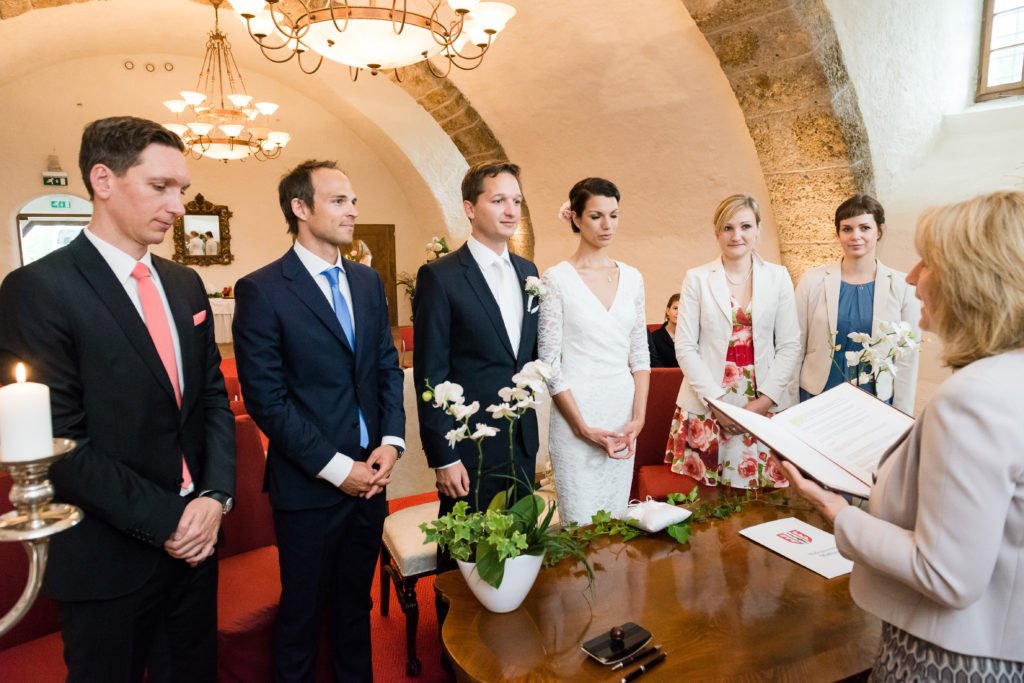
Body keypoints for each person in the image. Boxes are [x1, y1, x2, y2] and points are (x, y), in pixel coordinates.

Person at [0, 116, 236, 683]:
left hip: (197, 541)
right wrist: (170, 519)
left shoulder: (183, 284)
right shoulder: (39, 290)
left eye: (181, 187)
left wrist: (215, 496)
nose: (178, 205)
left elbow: (211, 399)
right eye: (161, 187)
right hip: (107, 555)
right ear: (102, 180)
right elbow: (62, 443)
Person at [778, 190, 1024, 678]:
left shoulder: (970, 402)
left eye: (928, 263)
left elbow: (947, 575)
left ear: (972, 281)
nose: (911, 278)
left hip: (949, 656)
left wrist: (837, 513)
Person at [232, 160, 405, 683]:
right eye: (338, 201)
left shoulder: (367, 281)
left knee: (355, 612)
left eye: (353, 200)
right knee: (302, 618)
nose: (353, 210)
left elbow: (384, 366)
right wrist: (336, 468)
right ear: (300, 208)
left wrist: (391, 442)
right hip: (309, 488)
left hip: (371, 479)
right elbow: (268, 399)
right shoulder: (263, 289)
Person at [413, 161, 539, 517]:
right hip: (470, 447)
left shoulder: (528, 272)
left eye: (516, 200)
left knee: (522, 555)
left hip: (522, 445)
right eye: (499, 200)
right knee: (465, 562)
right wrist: (444, 455)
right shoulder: (441, 277)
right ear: (470, 208)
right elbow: (430, 375)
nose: (511, 210)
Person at [665, 194, 801, 489]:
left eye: (745, 226)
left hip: (765, 400)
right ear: (717, 233)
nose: (737, 235)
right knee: (711, 505)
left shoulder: (778, 277)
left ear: (757, 230)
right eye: (728, 228)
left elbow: (790, 344)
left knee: (766, 503)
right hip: (710, 400)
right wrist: (717, 404)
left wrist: (764, 401)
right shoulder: (697, 278)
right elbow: (686, 345)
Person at [537, 178, 650, 524]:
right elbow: (549, 364)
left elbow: (641, 354)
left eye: (614, 216)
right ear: (575, 218)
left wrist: (639, 419)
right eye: (597, 216)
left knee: (617, 522)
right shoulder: (556, 278)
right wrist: (583, 428)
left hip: (622, 412)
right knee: (582, 526)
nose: (607, 226)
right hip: (577, 416)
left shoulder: (633, 277)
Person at [795, 194, 921, 413]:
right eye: (847, 229)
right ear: (838, 233)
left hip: (876, 398)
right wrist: (788, 404)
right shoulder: (812, 280)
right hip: (818, 394)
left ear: (879, 231)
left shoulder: (903, 287)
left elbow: (907, 359)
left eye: (864, 228)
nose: (856, 236)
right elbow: (795, 346)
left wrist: (903, 415)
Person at [649, 293, 680, 368]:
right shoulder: (654, 338)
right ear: (668, 311)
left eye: (683, 309)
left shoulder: (692, 337)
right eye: (675, 308)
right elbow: (657, 368)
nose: (678, 313)